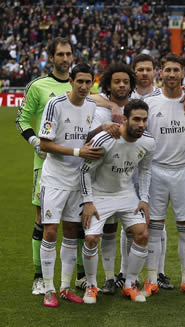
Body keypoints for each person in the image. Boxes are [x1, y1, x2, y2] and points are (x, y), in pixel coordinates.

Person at [15, 37, 86, 295]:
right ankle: (38, 276)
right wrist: (35, 141)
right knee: (43, 221)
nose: (65, 59)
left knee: (76, 222)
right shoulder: (38, 86)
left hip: (78, 166)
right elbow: (21, 119)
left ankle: (80, 275)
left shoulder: (81, 83)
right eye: (60, 54)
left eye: (69, 54)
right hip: (45, 165)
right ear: (51, 57)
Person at [37, 63, 103, 307]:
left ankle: (65, 287)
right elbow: (45, 144)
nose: (85, 87)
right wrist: (78, 151)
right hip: (55, 179)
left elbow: (83, 134)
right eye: (80, 82)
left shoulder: (92, 106)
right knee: (51, 231)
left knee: (72, 233)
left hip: (78, 180)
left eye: (88, 82)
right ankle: (48, 288)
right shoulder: (56, 105)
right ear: (71, 81)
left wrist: (102, 128)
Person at [80, 99, 155, 304]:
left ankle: (130, 284)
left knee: (142, 234)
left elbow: (146, 170)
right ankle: (91, 285)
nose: (141, 124)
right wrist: (88, 201)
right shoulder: (105, 139)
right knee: (91, 239)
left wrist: (144, 199)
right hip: (100, 195)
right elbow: (85, 170)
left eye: (144, 120)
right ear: (125, 119)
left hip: (127, 194)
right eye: (136, 119)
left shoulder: (148, 142)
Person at [143, 53, 185, 298]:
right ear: (161, 72)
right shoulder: (149, 102)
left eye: (175, 70)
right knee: (154, 229)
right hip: (155, 171)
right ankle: (150, 280)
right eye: (167, 70)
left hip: (184, 170)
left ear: (182, 73)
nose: (171, 74)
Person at [87, 62, 136, 295]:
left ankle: (125, 275)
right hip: (104, 181)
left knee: (132, 230)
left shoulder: (137, 107)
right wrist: (105, 123)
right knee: (108, 229)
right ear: (108, 84)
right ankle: (108, 277)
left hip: (130, 180)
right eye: (117, 81)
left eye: (126, 81)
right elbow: (87, 138)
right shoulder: (98, 109)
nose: (122, 85)